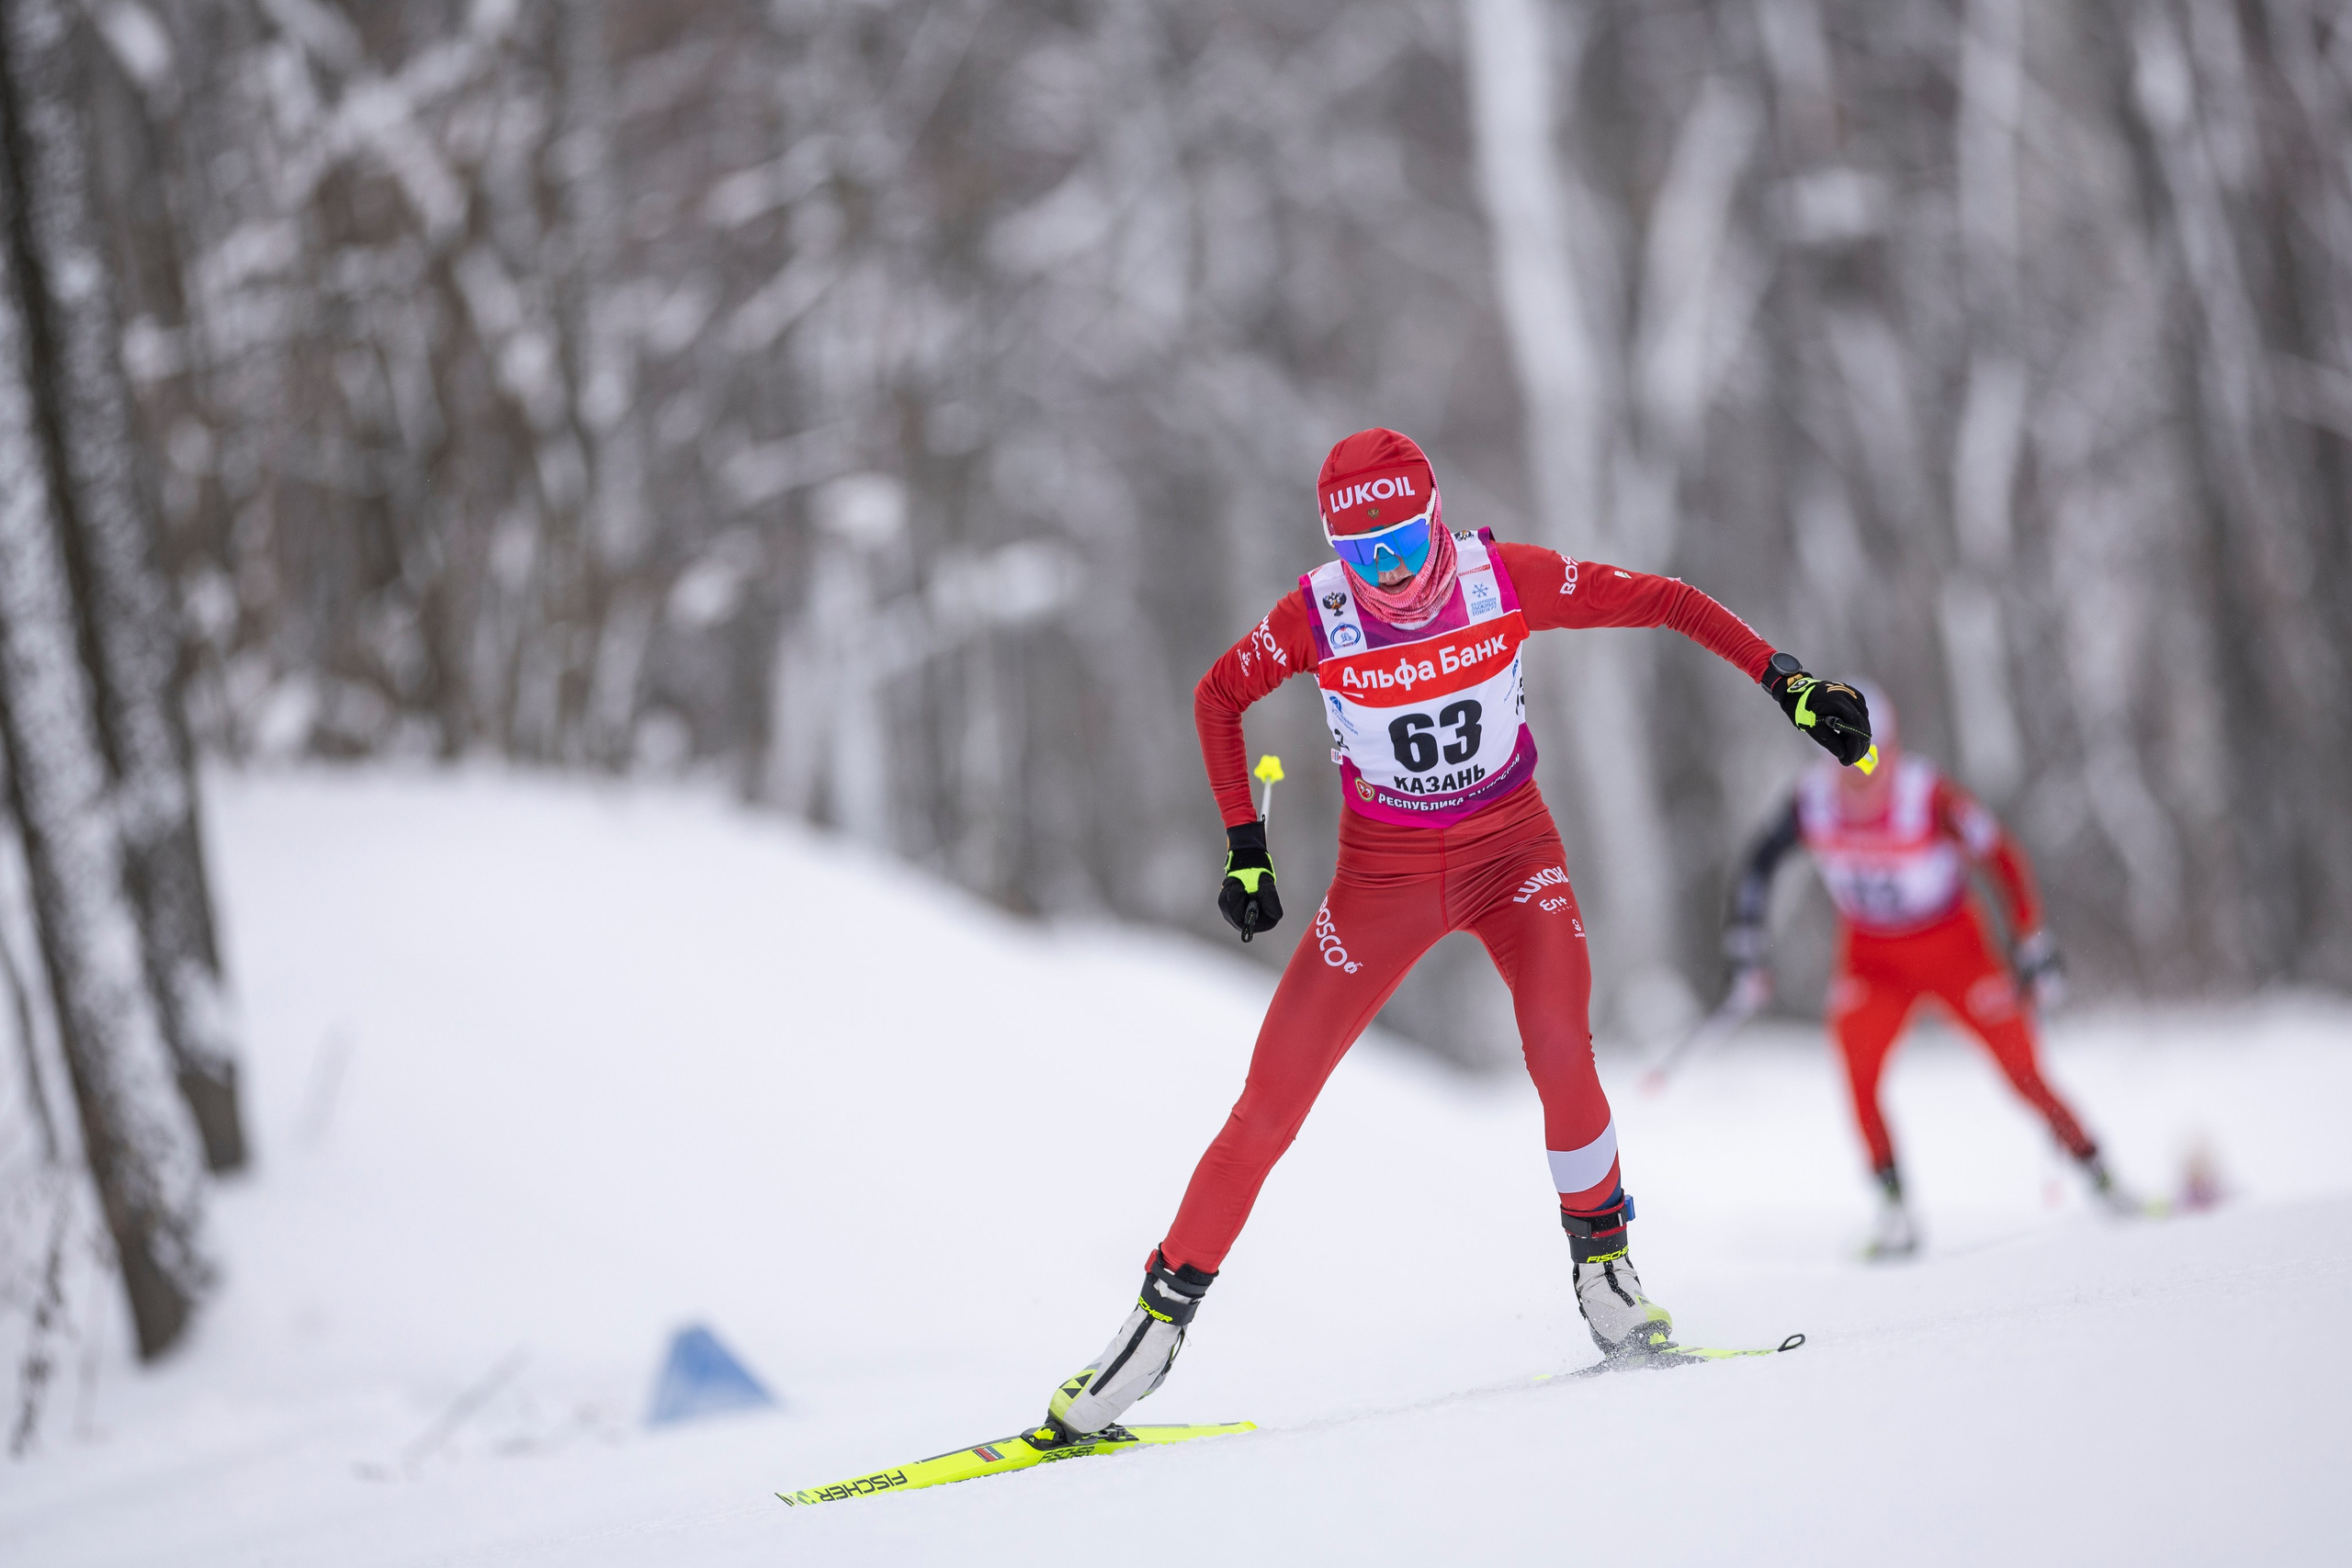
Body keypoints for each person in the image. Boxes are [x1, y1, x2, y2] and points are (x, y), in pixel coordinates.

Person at [1042, 428, 1873, 1438]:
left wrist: (1789, 681)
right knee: (1269, 1103)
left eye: (1402, 541)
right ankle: (1151, 1333)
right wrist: (1244, 847)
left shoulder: (1502, 579)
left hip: (1514, 859)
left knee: (1560, 1044)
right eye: (1364, 553)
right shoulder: (1318, 615)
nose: (1390, 572)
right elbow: (1218, 695)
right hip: (1380, 883)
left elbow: (1664, 599)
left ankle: (1606, 1274)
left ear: (1435, 517)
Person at [1721, 684, 2132, 1259]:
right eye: (1841, 755)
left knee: (2022, 1069)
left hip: (1954, 949)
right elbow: (1759, 863)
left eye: (1869, 753)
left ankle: (2101, 1174)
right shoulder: (1810, 802)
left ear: (1891, 749)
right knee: (1857, 1068)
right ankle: (1893, 1210)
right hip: (1872, 957)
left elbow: (2002, 857)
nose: (1859, 772)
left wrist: (2030, 941)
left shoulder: (1927, 795)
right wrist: (1746, 944)